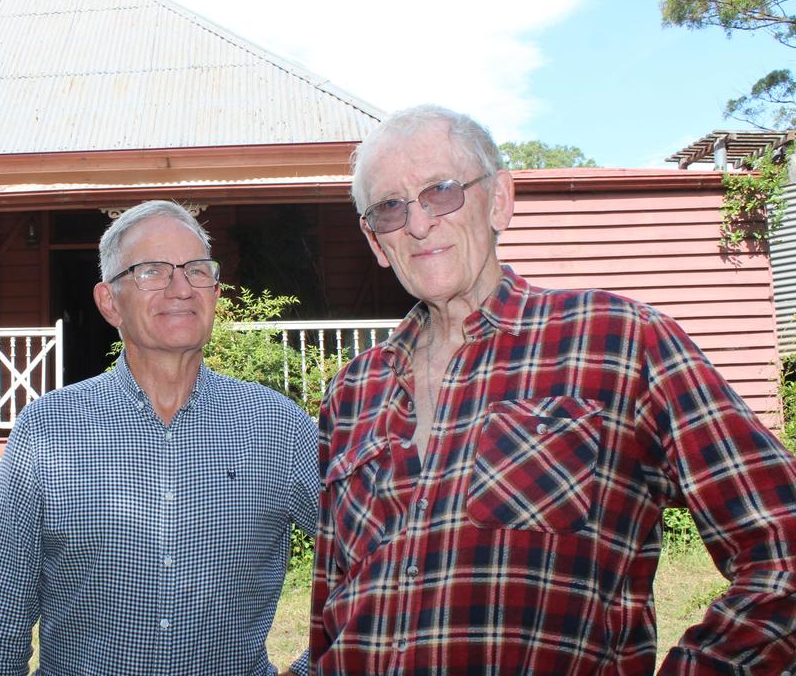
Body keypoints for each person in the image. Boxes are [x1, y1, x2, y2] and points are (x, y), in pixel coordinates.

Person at [309, 105, 796, 674]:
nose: (418, 223)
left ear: (499, 201)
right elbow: (329, 607)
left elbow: (782, 545)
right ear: (374, 240)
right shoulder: (350, 392)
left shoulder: (617, 340)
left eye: (441, 192)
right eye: (390, 207)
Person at [0, 200, 320, 675]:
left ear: (215, 291)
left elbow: (375, 560)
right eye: (152, 271)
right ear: (110, 302)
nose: (181, 287)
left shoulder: (280, 428)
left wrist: (314, 667)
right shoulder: (48, 430)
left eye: (196, 270)